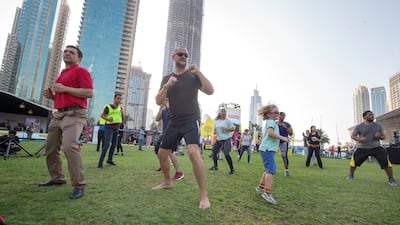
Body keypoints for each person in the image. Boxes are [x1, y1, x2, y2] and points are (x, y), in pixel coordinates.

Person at [153, 47, 213, 209]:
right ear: (173, 57)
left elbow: (210, 91)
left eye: (186, 55)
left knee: (193, 152)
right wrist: (167, 86)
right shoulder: (167, 78)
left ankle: (203, 195)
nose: (184, 57)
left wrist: (199, 73)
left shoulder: (193, 76)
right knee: (162, 153)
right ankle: (167, 182)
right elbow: (158, 101)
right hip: (174, 120)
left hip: (191, 119)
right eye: (180, 54)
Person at [39, 45, 93, 200]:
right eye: (66, 51)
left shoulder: (81, 71)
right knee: (50, 148)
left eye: (72, 52)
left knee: (70, 146)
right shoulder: (61, 74)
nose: (68, 53)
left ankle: (79, 185)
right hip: (59, 114)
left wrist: (64, 88)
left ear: (79, 58)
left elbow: (89, 92)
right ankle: (57, 178)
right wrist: (52, 96)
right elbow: (64, 96)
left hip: (75, 114)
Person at [346, 110, 398, 186]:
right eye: (370, 115)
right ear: (364, 117)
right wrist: (359, 139)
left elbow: (383, 137)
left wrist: (379, 136)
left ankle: (391, 179)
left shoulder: (378, 126)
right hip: (362, 148)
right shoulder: (359, 126)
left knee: (386, 163)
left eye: (372, 114)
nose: (372, 116)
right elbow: (353, 136)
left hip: (376, 147)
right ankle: (351, 175)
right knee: (353, 163)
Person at [255, 104, 288, 205]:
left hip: (267, 149)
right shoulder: (270, 122)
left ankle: (261, 187)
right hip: (267, 149)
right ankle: (267, 193)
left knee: (267, 169)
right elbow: (270, 133)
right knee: (271, 170)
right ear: (269, 114)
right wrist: (283, 138)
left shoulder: (272, 122)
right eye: (276, 112)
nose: (278, 114)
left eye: (278, 112)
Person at [154, 98, 184, 181]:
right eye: (165, 100)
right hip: (164, 133)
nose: (165, 101)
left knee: (169, 152)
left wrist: (169, 107)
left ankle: (179, 172)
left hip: (173, 132)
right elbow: (157, 118)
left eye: (167, 100)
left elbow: (175, 117)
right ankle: (163, 165)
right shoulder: (163, 110)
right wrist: (161, 108)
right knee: (157, 148)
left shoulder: (175, 109)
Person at [98, 93, 123, 168]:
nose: (119, 100)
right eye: (118, 98)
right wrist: (108, 119)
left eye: (120, 99)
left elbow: (120, 116)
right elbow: (102, 115)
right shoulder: (108, 107)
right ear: (114, 99)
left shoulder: (120, 108)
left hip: (116, 127)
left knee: (114, 144)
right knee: (107, 144)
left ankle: (109, 160)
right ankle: (100, 163)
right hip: (109, 127)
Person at [208, 108, 235, 174]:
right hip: (219, 139)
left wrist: (226, 129)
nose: (224, 113)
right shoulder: (216, 121)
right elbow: (214, 129)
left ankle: (232, 169)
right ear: (219, 113)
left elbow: (232, 129)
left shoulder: (228, 121)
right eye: (222, 112)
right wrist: (214, 131)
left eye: (225, 112)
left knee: (226, 154)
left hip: (227, 139)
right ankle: (215, 166)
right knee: (214, 152)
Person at [277, 112, 293, 176]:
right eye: (281, 115)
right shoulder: (275, 123)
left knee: (284, 155)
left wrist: (285, 127)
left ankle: (286, 170)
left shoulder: (287, 124)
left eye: (284, 116)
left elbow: (291, 133)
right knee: (270, 153)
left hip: (284, 141)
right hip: (275, 141)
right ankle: (268, 168)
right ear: (278, 116)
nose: (283, 117)